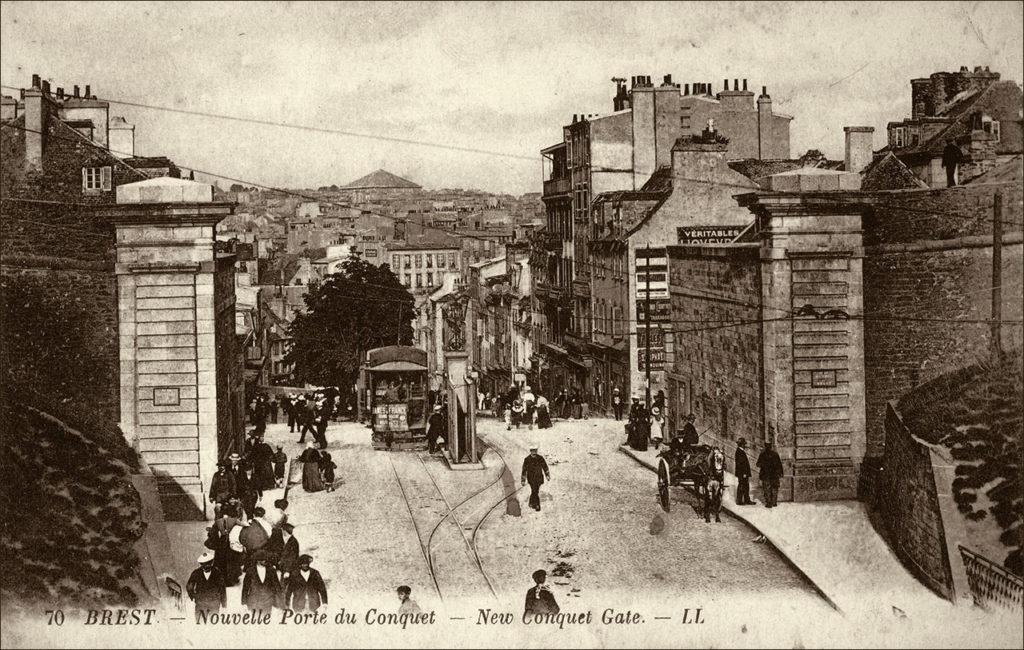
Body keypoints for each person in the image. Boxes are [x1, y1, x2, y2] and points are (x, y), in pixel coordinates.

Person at [186, 552, 226, 622]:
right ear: (201, 564)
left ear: (211, 563)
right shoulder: (196, 573)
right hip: (201, 603)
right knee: (200, 624)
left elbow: (222, 588)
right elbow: (189, 586)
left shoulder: (217, 573)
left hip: (214, 603)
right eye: (204, 564)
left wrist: (223, 603)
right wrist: (194, 597)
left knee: (213, 624)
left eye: (209, 563)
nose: (207, 565)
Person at [241, 550, 282, 614]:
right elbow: (245, 588)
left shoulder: (271, 570)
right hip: (254, 603)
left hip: (268, 603)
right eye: (263, 560)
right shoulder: (250, 571)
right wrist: (244, 603)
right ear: (257, 560)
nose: (265, 561)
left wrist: (280, 603)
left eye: (265, 559)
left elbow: (277, 587)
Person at [521, 445, 550, 512]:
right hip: (531, 479)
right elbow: (524, 470)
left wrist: (547, 475)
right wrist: (523, 480)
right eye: (532, 451)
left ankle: (531, 502)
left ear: (537, 451)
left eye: (535, 451)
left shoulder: (540, 458)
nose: (534, 452)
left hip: (539, 478)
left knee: (535, 491)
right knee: (535, 490)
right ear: (530, 451)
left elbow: (545, 467)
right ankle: (537, 505)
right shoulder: (527, 459)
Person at [757, 440, 784, 508]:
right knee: (774, 488)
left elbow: (758, 464)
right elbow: (779, 464)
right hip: (774, 474)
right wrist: (781, 473)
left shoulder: (762, 454)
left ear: (765, 446)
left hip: (766, 474)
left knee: (767, 488)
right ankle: (774, 502)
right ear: (771, 446)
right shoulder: (775, 454)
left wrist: (763, 465)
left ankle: (769, 503)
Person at [734, 438, 754, 505]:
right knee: (742, 486)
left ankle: (746, 500)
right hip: (742, 473)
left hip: (743, 473)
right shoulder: (739, 452)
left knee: (746, 486)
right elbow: (740, 464)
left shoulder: (740, 451)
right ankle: (739, 501)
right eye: (744, 444)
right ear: (742, 445)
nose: (745, 445)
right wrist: (744, 473)